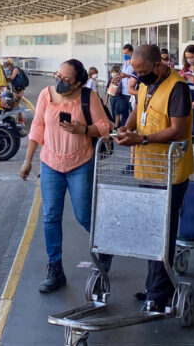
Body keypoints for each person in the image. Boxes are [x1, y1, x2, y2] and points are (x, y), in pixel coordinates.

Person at [20, 59, 112, 293]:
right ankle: (55, 269)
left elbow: (104, 128)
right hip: (50, 163)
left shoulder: (87, 97)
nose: (59, 81)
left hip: (81, 162)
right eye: (58, 76)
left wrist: (83, 130)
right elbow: (37, 127)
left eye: (66, 79)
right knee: (50, 217)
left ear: (78, 83)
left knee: (83, 214)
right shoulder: (45, 95)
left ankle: (105, 247)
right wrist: (28, 160)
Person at [114, 45, 193, 313]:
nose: (139, 76)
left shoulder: (178, 87)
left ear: (159, 65)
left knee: (163, 230)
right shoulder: (147, 83)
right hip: (149, 168)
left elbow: (177, 129)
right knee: (150, 228)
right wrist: (127, 126)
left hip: (171, 170)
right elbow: (140, 108)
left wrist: (142, 139)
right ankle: (154, 286)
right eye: (135, 72)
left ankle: (160, 293)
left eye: (144, 71)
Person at [109, 44, 136, 127]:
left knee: (132, 113)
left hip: (131, 92)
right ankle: (123, 130)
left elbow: (136, 76)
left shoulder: (135, 62)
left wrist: (126, 76)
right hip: (123, 92)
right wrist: (118, 77)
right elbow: (121, 73)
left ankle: (131, 129)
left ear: (131, 52)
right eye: (124, 54)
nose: (125, 56)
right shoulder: (125, 62)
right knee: (124, 113)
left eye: (126, 53)